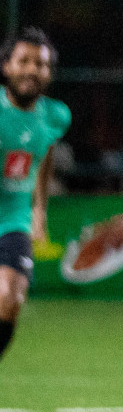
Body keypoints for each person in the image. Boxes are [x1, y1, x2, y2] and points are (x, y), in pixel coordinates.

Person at [0, 27, 71, 364]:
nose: (31, 69)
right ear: (6, 67)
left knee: (10, 300)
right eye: (23, 61)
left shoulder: (57, 115)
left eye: (39, 64)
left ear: (49, 73)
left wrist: (40, 208)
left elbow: (44, 153)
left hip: (13, 219)